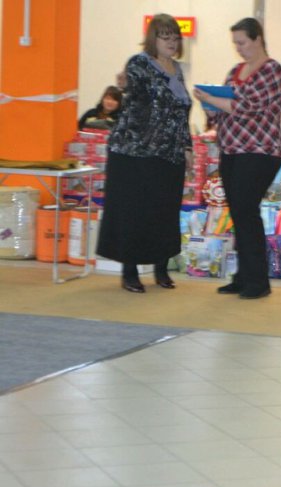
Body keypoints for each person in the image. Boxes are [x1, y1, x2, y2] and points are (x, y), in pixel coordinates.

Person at [96, 14, 192, 293]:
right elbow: (135, 94)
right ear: (153, 38)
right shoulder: (139, 64)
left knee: (164, 211)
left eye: (175, 37)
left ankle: (161, 269)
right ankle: (130, 273)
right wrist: (125, 86)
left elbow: (180, 113)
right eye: (165, 37)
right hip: (135, 152)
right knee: (134, 212)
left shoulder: (177, 69)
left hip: (169, 154)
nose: (171, 42)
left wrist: (187, 146)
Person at [193, 17, 281, 300]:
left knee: (247, 211)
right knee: (239, 214)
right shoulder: (236, 71)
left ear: (258, 39)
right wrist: (208, 103)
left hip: (260, 152)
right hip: (232, 150)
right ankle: (243, 276)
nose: (239, 48)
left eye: (242, 42)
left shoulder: (272, 70)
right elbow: (220, 113)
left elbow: (248, 107)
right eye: (235, 43)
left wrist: (213, 98)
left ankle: (258, 281)